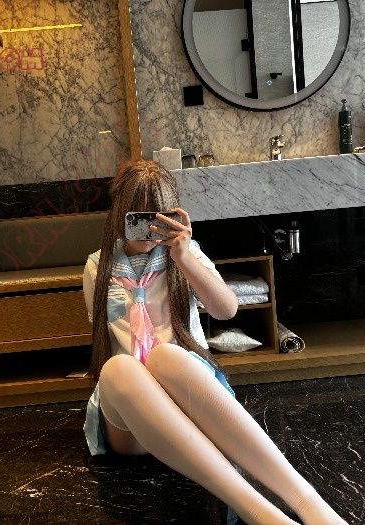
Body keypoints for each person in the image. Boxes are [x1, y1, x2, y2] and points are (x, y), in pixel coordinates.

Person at [82, 158, 347, 525]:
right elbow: (102, 335)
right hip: (130, 411)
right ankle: (257, 512)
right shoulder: (98, 266)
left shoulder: (184, 255)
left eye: (157, 219)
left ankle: (309, 505)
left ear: (172, 216)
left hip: (185, 389)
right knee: (119, 368)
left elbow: (226, 310)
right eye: (136, 218)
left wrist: (184, 257)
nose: (147, 230)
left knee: (167, 356)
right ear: (118, 215)